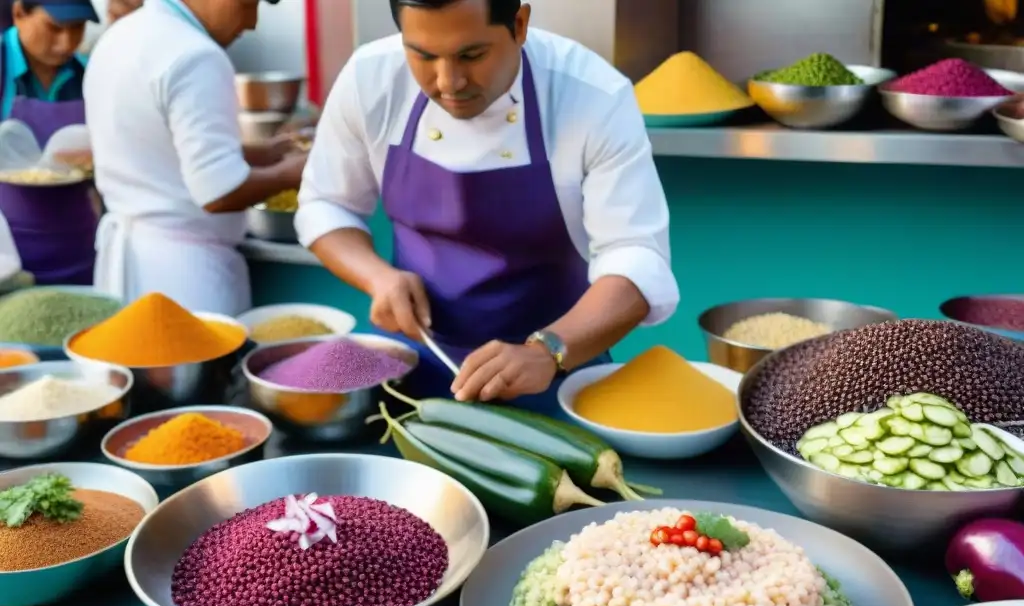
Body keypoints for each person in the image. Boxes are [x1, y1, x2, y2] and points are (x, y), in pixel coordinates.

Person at [296, 0, 679, 414]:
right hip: (409, 368)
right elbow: (325, 204)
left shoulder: (592, 95)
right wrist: (377, 278)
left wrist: (547, 350)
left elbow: (637, 258)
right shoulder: (369, 79)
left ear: (519, 23)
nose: (449, 82)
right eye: (422, 55)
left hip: (556, 373)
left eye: (471, 55)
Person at [83, 0, 305, 315]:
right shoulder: (196, 55)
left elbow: (158, 150)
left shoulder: (122, 35)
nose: (252, 23)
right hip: (184, 279)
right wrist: (293, 172)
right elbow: (219, 191)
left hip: (129, 263)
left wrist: (264, 153)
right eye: (248, 5)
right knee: (193, 366)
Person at [0, 0, 98, 284]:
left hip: (78, 247)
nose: (66, 42)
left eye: (77, 28)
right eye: (54, 28)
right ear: (19, 13)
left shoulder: (90, 74)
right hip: (9, 258)